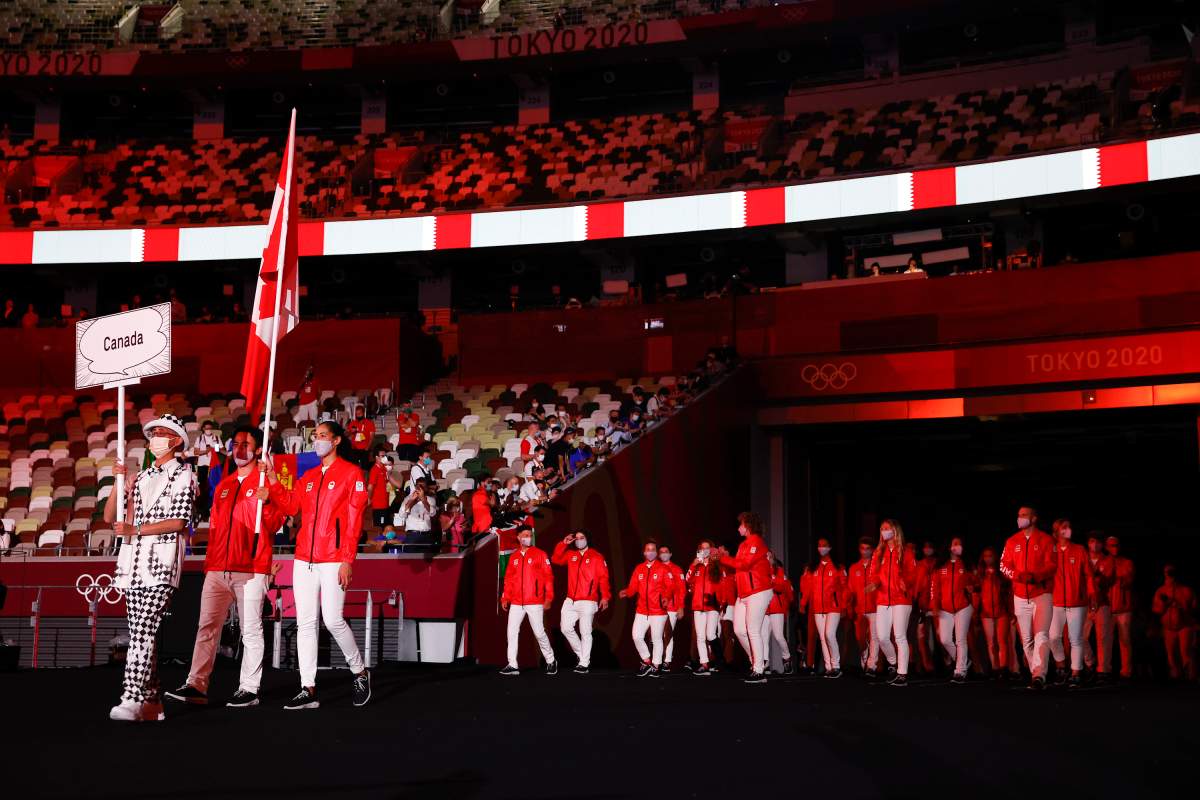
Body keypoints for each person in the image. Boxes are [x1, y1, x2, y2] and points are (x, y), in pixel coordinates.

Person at [166, 426, 284, 708]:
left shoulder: (267, 483)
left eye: (247, 443)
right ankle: (196, 684)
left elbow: (276, 523)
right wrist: (211, 564)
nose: (240, 447)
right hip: (218, 567)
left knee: (251, 630)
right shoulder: (225, 485)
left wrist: (267, 502)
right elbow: (217, 527)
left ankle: (249, 689)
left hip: (252, 567)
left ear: (258, 450)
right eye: (236, 443)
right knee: (206, 626)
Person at [259, 420, 371, 709]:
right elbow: (291, 507)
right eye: (315, 436)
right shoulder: (307, 476)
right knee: (305, 623)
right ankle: (307, 687)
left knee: (333, 620)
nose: (317, 440)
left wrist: (348, 559)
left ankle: (359, 670)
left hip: (333, 558)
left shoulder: (351, 473)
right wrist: (271, 479)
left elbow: (355, 522)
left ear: (335, 441)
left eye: (323, 436)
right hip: (303, 558)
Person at [103, 413, 195, 722]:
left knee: (143, 630)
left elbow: (179, 521)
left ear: (176, 440)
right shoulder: (140, 478)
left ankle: (131, 697)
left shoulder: (185, 475)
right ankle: (153, 702)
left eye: (161, 432)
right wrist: (118, 483)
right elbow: (110, 518)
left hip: (162, 564)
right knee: (143, 633)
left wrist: (137, 530)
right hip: (132, 565)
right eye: (152, 432)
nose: (154, 437)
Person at [1000, 506, 1057, 690]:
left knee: (1041, 635)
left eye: (1024, 515)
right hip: (1019, 595)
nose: (1020, 518)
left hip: (1042, 594)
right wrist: (1017, 576)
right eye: (1019, 515)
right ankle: (1037, 673)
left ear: (1034, 518)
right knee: (1026, 640)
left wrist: (1035, 577)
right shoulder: (1011, 541)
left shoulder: (1046, 540)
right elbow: (1003, 566)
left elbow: (1052, 566)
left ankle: (1039, 675)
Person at [720, 511, 774, 684]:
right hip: (744, 593)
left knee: (752, 630)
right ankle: (757, 662)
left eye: (741, 524)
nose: (739, 527)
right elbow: (738, 567)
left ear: (748, 526)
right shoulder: (743, 545)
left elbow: (744, 564)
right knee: (739, 630)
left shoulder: (756, 542)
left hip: (758, 590)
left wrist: (722, 557)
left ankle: (759, 671)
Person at [499, 525, 557, 676]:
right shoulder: (514, 557)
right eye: (524, 535)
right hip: (517, 602)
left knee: (539, 632)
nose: (527, 537)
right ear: (518, 537)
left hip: (534, 601)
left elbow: (548, 577)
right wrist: (505, 597)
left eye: (529, 535)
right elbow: (509, 580)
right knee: (511, 632)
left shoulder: (540, 554)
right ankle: (512, 664)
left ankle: (551, 660)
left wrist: (548, 598)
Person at [551, 530, 611, 673]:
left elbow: (603, 578)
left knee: (585, 632)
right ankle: (581, 655)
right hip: (571, 600)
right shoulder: (571, 555)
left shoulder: (596, 556)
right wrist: (563, 544)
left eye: (581, 538)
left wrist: (605, 597)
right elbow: (555, 559)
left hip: (588, 600)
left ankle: (584, 663)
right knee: (565, 628)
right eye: (576, 538)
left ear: (587, 539)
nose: (579, 540)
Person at [865, 519, 917, 686]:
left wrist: (905, 583)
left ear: (895, 530)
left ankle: (902, 674)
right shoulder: (879, 553)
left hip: (901, 599)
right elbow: (873, 574)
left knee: (900, 636)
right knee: (882, 637)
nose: (884, 531)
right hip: (883, 599)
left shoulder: (906, 552)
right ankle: (893, 663)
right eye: (881, 529)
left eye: (887, 528)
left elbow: (912, 574)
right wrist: (874, 583)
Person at [1048, 519, 1090, 688]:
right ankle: (1061, 668)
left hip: (1077, 602)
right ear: (1056, 532)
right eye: (1064, 528)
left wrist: (1092, 595)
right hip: (1056, 602)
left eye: (1069, 527)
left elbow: (1088, 575)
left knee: (1075, 639)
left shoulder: (1079, 550)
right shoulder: (1051, 551)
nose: (1068, 530)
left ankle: (1076, 673)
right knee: (1053, 637)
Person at [619, 541, 669, 677]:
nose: (650, 551)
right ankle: (647, 661)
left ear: (656, 552)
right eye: (648, 549)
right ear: (644, 552)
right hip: (642, 610)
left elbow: (669, 587)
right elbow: (633, 587)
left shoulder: (663, 568)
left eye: (653, 549)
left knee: (657, 638)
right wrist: (627, 592)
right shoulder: (639, 568)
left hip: (658, 610)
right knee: (636, 636)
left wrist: (665, 598)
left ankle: (656, 665)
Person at [931, 537, 978, 683]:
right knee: (944, 639)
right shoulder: (940, 566)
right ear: (949, 547)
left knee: (960, 639)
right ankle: (962, 661)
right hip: (945, 608)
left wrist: (973, 588)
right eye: (956, 544)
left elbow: (977, 583)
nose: (959, 547)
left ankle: (960, 671)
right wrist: (934, 606)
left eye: (960, 544)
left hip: (963, 606)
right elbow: (934, 588)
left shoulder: (967, 565)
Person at [978, 546, 1019, 680]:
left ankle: (1003, 668)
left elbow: (1009, 593)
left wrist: (1011, 611)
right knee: (991, 642)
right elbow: (977, 593)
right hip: (986, 613)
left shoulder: (1002, 572)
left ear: (995, 557)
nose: (988, 558)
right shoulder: (980, 574)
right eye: (985, 556)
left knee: (1002, 641)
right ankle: (995, 668)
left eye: (990, 555)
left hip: (1002, 611)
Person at [1151, 564, 1196, 681]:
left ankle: (1190, 676)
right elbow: (1156, 610)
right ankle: (1175, 677)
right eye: (1167, 572)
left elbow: (1194, 608)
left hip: (1185, 625)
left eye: (1171, 572)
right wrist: (1165, 605)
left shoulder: (1186, 590)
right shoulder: (1160, 591)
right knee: (1171, 655)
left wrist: (1180, 604)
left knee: (1185, 652)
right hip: (1168, 627)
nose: (1169, 575)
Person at [809, 538, 846, 679]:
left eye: (824, 545)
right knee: (823, 637)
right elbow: (809, 588)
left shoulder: (838, 567)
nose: (821, 548)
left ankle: (836, 666)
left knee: (829, 634)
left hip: (834, 606)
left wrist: (843, 606)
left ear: (830, 547)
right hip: (818, 607)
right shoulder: (814, 567)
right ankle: (829, 667)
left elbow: (844, 588)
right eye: (819, 545)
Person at [686, 540, 723, 676]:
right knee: (700, 636)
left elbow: (721, 584)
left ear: (711, 550)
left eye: (708, 548)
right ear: (699, 550)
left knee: (710, 634)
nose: (705, 550)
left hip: (712, 605)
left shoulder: (716, 566)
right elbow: (687, 580)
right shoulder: (697, 566)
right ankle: (704, 664)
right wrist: (693, 565)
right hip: (697, 605)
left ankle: (719, 660)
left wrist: (720, 601)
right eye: (703, 548)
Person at [1082, 533, 1116, 681]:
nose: (1094, 544)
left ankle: (1104, 669)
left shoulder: (1108, 560)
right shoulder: (1082, 558)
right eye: (1091, 541)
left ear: (1102, 545)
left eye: (1097, 542)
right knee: (1078, 636)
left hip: (1102, 602)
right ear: (1088, 543)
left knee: (1103, 637)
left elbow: (1109, 579)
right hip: (1084, 603)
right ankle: (1090, 662)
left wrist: (1098, 578)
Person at [847, 537, 880, 678]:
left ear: (872, 550)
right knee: (860, 638)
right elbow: (850, 590)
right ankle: (864, 655)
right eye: (862, 548)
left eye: (867, 548)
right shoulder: (854, 568)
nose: (865, 551)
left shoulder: (878, 566)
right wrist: (848, 606)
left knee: (874, 637)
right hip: (860, 609)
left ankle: (871, 665)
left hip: (875, 608)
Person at [1106, 535, 1136, 680]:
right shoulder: (1103, 562)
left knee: (1125, 639)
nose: (1115, 548)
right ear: (1107, 547)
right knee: (1106, 640)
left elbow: (1128, 580)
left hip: (1124, 608)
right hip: (1108, 608)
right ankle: (1106, 670)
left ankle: (1126, 671)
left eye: (1116, 545)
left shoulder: (1127, 563)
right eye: (1112, 545)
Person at [762, 551, 795, 675]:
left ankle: (787, 659)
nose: (767, 558)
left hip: (777, 607)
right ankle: (765, 664)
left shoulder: (779, 570)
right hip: (764, 608)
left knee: (779, 636)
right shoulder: (760, 572)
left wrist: (770, 582)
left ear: (773, 558)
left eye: (769, 556)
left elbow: (781, 587)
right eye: (765, 556)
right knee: (763, 637)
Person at [658, 544, 687, 672]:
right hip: (657, 607)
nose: (664, 554)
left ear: (670, 554)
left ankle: (667, 661)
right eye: (661, 552)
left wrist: (681, 607)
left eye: (666, 552)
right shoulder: (656, 568)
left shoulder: (676, 569)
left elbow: (682, 590)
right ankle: (657, 660)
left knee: (667, 634)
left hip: (672, 607)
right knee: (656, 635)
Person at [913, 541, 938, 675]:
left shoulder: (938, 563)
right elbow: (917, 585)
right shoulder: (919, 565)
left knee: (940, 637)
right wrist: (916, 602)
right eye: (925, 547)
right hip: (922, 605)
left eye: (930, 547)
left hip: (937, 606)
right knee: (922, 636)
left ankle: (946, 663)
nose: (927, 549)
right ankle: (927, 665)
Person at [191, 419, 223, 522]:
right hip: (202, 465)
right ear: (203, 429)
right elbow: (196, 452)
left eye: (210, 428)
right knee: (203, 488)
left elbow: (219, 450)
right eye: (206, 428)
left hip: (213, 466)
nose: (208, 430)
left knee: (212, 488)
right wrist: (206, 451)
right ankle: (202, 511)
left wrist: (216, 449)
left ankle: (210, 510)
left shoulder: (216, 438)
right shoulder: (200, 438)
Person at [366, 449, 393, 530]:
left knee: (387, 527)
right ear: (377, 457)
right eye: (382, 456)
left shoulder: (385, 469)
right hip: (378, 505)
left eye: (385, 456)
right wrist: (369, 498)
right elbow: (370, 487)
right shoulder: (374, 470)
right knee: (380, 528)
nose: (385, 458)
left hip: (386, 504)